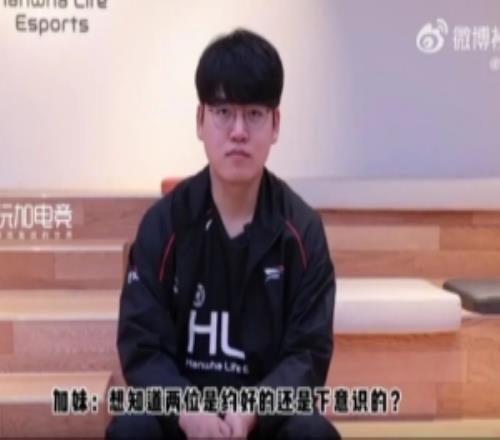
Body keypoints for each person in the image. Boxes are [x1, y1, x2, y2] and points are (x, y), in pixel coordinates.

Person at [106, 28, 339, 439]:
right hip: (183, 419)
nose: (238, 131)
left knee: (313, 433)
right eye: (223, 111)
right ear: (200, 120)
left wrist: (253, 411)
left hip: (262, 421)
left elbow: (308, 353)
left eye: (254, 114)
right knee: (131, 429)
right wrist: (187, 410)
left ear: (275, 124)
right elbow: (142, 345)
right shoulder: (164, 224)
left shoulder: (301, 231)